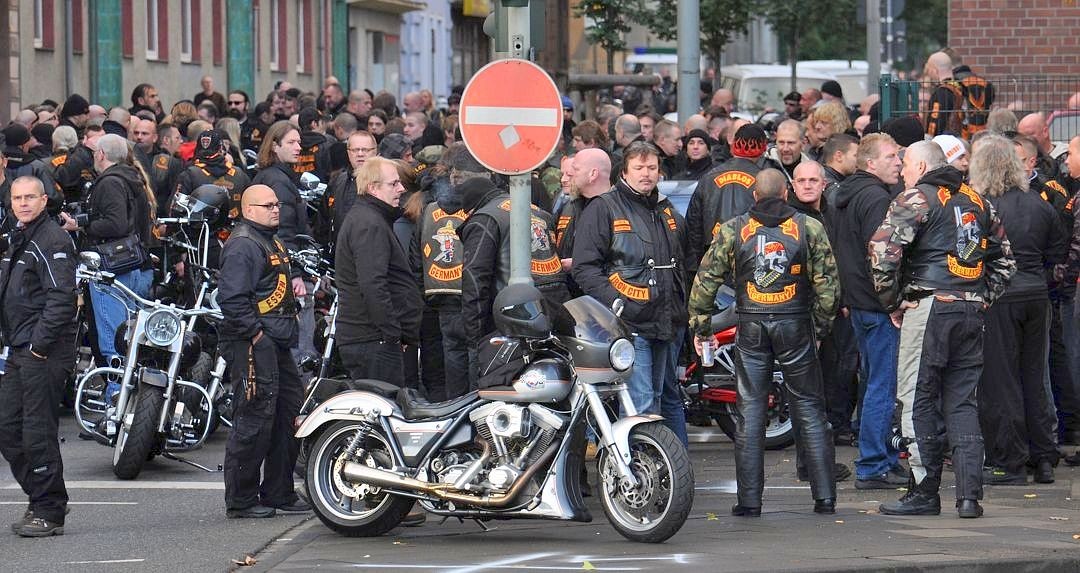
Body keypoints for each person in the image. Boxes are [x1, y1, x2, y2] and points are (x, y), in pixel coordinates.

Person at [869, 140, 1015, 519]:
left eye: (905, 165)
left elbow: (882, 252)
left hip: (929, 306)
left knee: (916, 398)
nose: (901, 171)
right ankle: (969, 497)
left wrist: (893, 301)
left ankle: (923, 491)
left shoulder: (917, 198)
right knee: (963, 402)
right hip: (969, 309)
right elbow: (1006, 263)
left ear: (920, 165)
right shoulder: (980, 202)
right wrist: (982, 297)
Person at [689, 168, 839, 515]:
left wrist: (701, 328)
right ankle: (825, 497)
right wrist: (820, 328)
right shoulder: (808, 227)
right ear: (786, 194)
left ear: (754, 196)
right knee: (809, 408)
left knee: (751, 411)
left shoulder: (734, 229)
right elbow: (828, 287)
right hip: (795, 324)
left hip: (752, 324)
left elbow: (705, 281)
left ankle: (749, 502)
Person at [571, 141, 688, 445]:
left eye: (651, 167)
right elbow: (585, 268)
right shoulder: (604, 207)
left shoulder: (665, 208)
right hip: (631, 323)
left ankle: (669, 473)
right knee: (642, 402)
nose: (646, 174)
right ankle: (639, 476)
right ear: (624, 171)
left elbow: (685, 261)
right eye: (639, 168)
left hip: (667, 320)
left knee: (663, 399)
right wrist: (616, 302)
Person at [969, 135, 1066, 485]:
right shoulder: (1039, 203)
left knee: (1001, 379)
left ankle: (1009, 461)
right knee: (1034, 378)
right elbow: (1057, 255)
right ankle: (1042, 456)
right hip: (1036, 295)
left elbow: (974, 255)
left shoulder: (983, 205)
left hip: (999, 297)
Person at [217, 184, 309, 519]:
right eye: (268, 205)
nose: (276, 209)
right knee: (254, 417)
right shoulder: (243, 245)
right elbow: (231, 298)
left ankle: (278, 492)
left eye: (277, 204)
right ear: (248, 209)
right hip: (255, 343)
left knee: (289, 414)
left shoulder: (271, 238)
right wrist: (256, 335)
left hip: (278, 341)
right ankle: (241, 499)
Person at [829, 133, 908, 490]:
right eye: (891, 156)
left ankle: (877, 457)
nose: (898, 162)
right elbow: (882, 256)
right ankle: (874, 464)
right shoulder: (876, 197)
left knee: (873, 382)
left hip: (858, 302)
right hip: (877, 306)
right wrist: (892, 303)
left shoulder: (846, 194)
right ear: (870, 163)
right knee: (881, 385)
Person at [0, 177, 77, 537]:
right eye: (17, 197)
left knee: (37, 432)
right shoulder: (19, 235)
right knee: (8, 427)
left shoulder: (53, 239)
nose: (23, 203)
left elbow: (62, 298)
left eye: (30, 196)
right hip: (19, 348)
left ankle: (49, 510)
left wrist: (38, 346)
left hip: (42, 351)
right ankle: (42, 498)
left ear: (44, 199)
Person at [459, 176, 569, 386]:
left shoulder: (485, 218)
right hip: (552, 315)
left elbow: (475, 279)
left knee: (497, 394)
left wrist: (475, 338)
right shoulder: (538, 211)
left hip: (511, 322)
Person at [59, 134, 153, 366]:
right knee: (129, 337)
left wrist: (80, 224)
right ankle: (127, 393)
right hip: (134, 265)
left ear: (101, 154)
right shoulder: (132, 177)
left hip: (112, 269)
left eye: (94, 153)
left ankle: (115, 392)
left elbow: (116, 223)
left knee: (113, 339)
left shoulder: (110, 182)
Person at [335, 157, 422, 386]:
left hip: (374, 338)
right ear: (373, 188)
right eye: (393, 184)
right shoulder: (369, 223)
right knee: (382, 410)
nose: (401, 189)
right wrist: (392, 333)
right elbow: (373, 284)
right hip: (372, 340)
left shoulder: (372, 218)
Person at [251, 121, 315, 362]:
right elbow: (283, 232)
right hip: (285, 272)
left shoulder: (276, 176)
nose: (298, 147)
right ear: (274, 146)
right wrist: (296, 273)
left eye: (299, 142)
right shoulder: (278, 181)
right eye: (291, 142)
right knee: (300, 345)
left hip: (276, 268)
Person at [686, 124, 770, 276]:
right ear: (763, 148)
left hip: (714, 261)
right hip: (751, 261)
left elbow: (693, 228)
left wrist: (695, 270)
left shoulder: (709, 177)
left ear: (734, 146)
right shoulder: (765, 180)